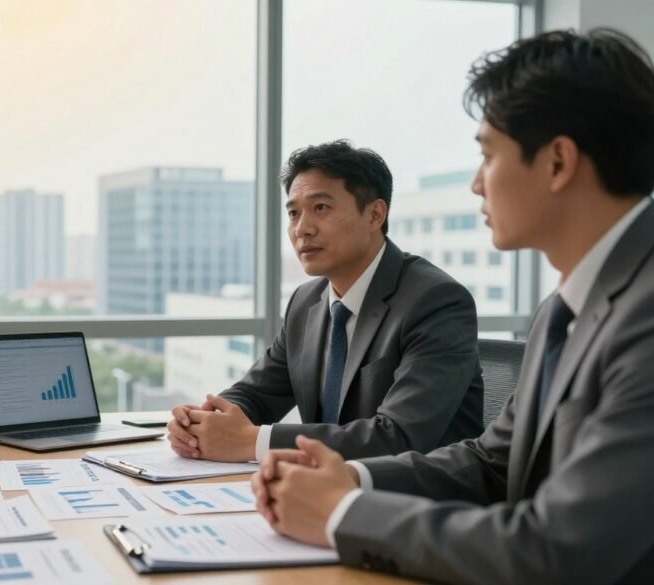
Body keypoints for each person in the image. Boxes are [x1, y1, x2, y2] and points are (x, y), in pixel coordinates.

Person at [252, 28, 654, 585]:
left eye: (488, 155)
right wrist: (349, 479)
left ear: (558, 162)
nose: (475, 185)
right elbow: (493, 463)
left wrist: (343, 514)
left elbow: (563, 549)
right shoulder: (561, 310)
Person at [167, 140, 483, 463]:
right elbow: (256, 394)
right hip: (326, 493)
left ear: (375, 215)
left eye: (320, 208)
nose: (302, 229)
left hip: (419, 502)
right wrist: (202, 422)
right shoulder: (306, 302)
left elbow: (399, 436)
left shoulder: (436, 301)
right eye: (293, 213)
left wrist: (254, 441)